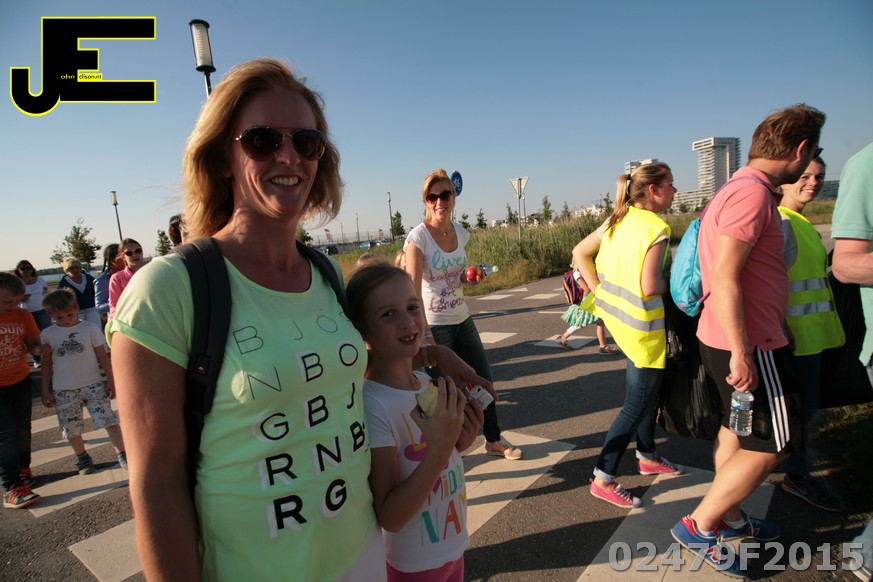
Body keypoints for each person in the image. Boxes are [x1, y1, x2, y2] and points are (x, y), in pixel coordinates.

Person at [107, 57, 489, 581]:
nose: (289, 156)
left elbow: (340, 377)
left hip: (363, 557)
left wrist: (432, 355)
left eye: (306, 143)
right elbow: (157, 486)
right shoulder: (168, 291)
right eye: (262, 140)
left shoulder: (326, 274)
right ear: (222, 157)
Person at [669, 103, 825, 577]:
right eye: (812, 155)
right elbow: (726, 275)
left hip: (734, 336)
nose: (810, 166)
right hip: (750, 343)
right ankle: (700, 525)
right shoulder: (752, 195)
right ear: (800, 149)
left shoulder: (736, 188)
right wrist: (743, 351)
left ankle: (731, 516)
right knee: (775, 441)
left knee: (736, 428)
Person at [347, 263, 483, 581]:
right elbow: (391, 516)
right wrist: (441, 450)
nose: (408, 322)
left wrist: (459, 442)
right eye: (388, 314)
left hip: (453, 546)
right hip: (413, 566)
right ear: (361, 330)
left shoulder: (425, 383)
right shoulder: (374, 404)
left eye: (412, 307)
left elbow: (438, 456)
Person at [572, 162, 682, 509]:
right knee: (637, 403)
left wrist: (598, 291)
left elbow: (579, 253)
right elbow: (650, 285)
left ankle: (647, 456)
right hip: (644, 328)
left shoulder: (617, 219)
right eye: (670, 184)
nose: (675, 190)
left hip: (620, 323)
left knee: (648, 395)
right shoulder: (656, 227)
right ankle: (603, 477)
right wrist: (680, 282)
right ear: (653, 190)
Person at [404, 168, 522, 461]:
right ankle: (445, 453)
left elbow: (455, 277)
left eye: (445, 195)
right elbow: (412, 291)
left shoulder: (460, 233)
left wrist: (469, 278)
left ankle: (493, 439)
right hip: (436, 326)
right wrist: (425, 335)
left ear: (453, 197)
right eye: (432, 197)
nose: (439, 202)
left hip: (462, 318)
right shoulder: (418, 239)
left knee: (483, 380)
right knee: (447, 392)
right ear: (425, 201)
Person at [776, 157, 845, 512]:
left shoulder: (801, 222)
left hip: (813, 332)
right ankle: (796, 474)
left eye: (819, 176)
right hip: (797, 337)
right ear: (784, 181)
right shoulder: (784, 222)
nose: (813, 182)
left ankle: (793, 467)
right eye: (804, 176)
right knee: (802, 409)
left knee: (805, 407)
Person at [830, 140, 873, 581]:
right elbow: (846, 265)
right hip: (784, 343)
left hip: (807, 341)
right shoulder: (867, 165)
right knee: (765, 447)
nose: (812, 182)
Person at [40, 289, 126, 474]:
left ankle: (122, 453)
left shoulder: (90, 328)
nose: (66, 320)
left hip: (93, 384)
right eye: (59, 317)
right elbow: (46, 364)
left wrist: (111, 380)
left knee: (108, 420)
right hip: (64, 389)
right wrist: (45, 389)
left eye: (69, 315)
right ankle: (82, 458)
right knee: (71, 428)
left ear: (76, 308)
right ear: (50, 314)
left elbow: (102, 356)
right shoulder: (47, 334)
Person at [0, 272, 42, 509]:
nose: (14, 305)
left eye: (18, 300)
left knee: (23, 430)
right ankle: (11, 487)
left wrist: (37, 348)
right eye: (8, 301)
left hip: (20, 380)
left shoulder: (23, 315)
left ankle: (22, 467)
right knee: (5, 435)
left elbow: (32, 341)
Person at [556, 268, 620, 355]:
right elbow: (587, 289)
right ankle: (603, 347)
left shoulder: (579, 272)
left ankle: (562, 338)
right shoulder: (577, 274)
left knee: (587, 323)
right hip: (586, 303)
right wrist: (594, 282)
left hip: (588, 302)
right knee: (596, 322)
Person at [14, 260, 49, 366]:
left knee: (45, 334)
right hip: (25, 313)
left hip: (42, 310)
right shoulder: (16, 282)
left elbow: (45, 291)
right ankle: (36, 359)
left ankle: (48, 357)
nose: (26, 270)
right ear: (18, 270)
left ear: (32, 269)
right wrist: (20, 297)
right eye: (23, 268)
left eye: (28, 268)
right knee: (30, 337)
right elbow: (10, 296)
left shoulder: (40, 280)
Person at [57, 257, 101, 327]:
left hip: (92, 309)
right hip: (76, 312)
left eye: (77, 267)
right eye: (72, 268)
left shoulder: (89, 278)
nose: (75, 270)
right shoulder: (64, 283)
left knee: (96, 328)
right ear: (67, 269)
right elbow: (62, 299)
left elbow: (97, 292)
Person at [107, 238, 144, 320]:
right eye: (129, 253)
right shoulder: (117, 279)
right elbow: (114, 307)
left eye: (138, 251)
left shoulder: (152, 272)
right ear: (123, 256)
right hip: (129, 321)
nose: (135, 255)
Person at [94, 244, 122, 320]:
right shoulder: (103, 280)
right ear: (112, 260)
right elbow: (99, 307)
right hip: (118, 320)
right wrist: (119, 301)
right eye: (122, 256)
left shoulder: (133, 273)